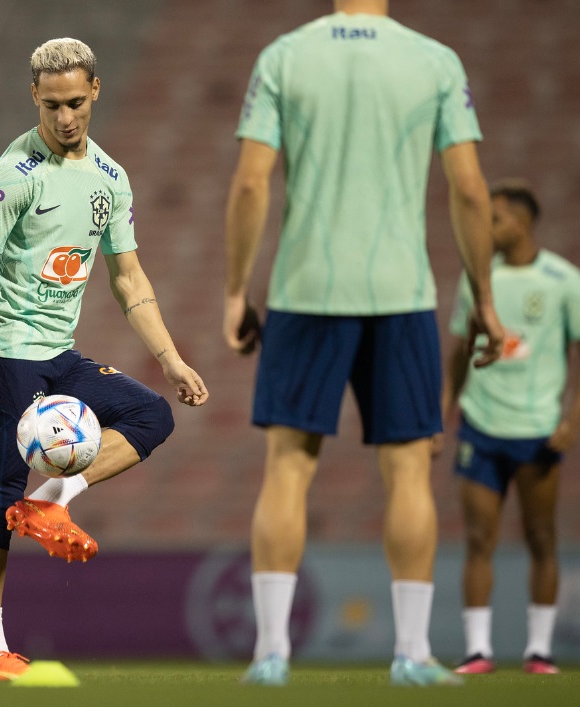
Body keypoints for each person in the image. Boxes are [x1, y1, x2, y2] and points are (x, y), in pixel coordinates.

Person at [222, 0, 505, 686]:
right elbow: (470, 190)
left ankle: (270, 654)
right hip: (400, 292)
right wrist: (484, 299)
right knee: (408, 472)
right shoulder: (434, 61)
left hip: (305, 290)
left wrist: (235, 291)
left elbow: (252, 181)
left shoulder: (284, 56)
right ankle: (411, 652)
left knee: (287, 469)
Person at [0, 37, 208, 681]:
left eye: (75, 102)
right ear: (33, 98)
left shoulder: (111, 178)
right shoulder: (13, 173)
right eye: (51, 106)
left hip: (59, 353)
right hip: (8, 352)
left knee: (152, 415)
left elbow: (128, 277)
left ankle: (53, 499)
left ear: (96, 90)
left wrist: (171, 358)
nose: (65, 117)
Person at [439, 181, 580, 676]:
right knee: (479, 539)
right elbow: (460, 352)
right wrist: (442, 412)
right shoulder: (478, 280)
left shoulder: (563, 280)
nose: (485, 226)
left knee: (541, 536)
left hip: (537, 428)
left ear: (522, 223)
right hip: (481, 424)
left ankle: (539, 651)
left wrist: (572, 419)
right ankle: (478, 650)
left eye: (494, 218)